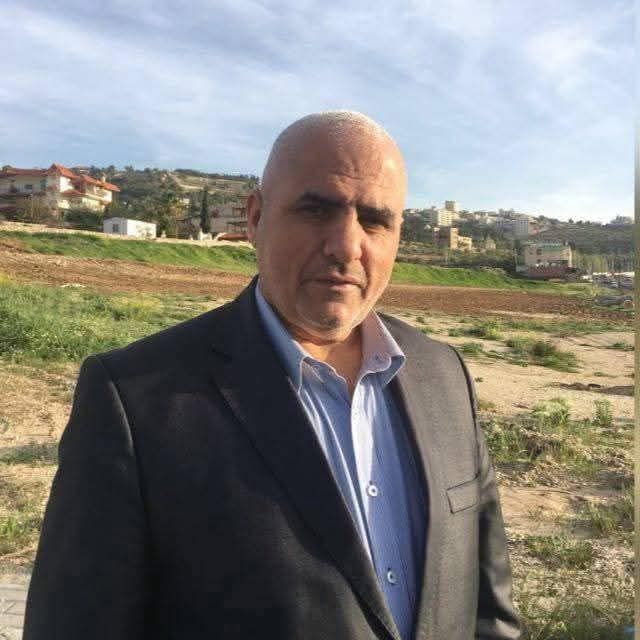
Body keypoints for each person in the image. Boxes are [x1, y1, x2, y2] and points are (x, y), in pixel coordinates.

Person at [24, 111, 521, 640]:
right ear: (256, 218)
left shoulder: (445, 375)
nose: (346, 245)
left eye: (375, 220)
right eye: (316, 209)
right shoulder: (135, 399)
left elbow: (488, 614)